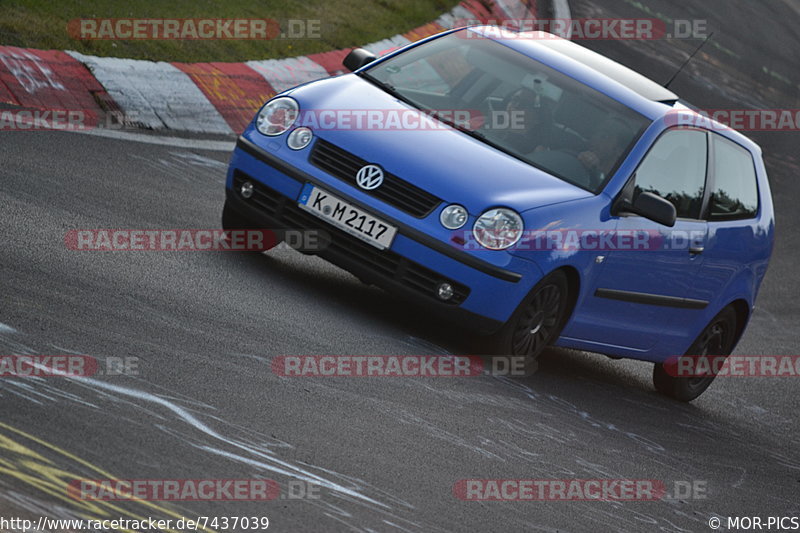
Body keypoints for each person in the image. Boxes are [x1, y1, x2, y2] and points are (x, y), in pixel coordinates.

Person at [577, 118, 634, 187]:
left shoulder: (621, 185)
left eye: (604, 137)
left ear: (620, 150)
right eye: (595, 133)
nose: (594, 138)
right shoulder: (575, 158)